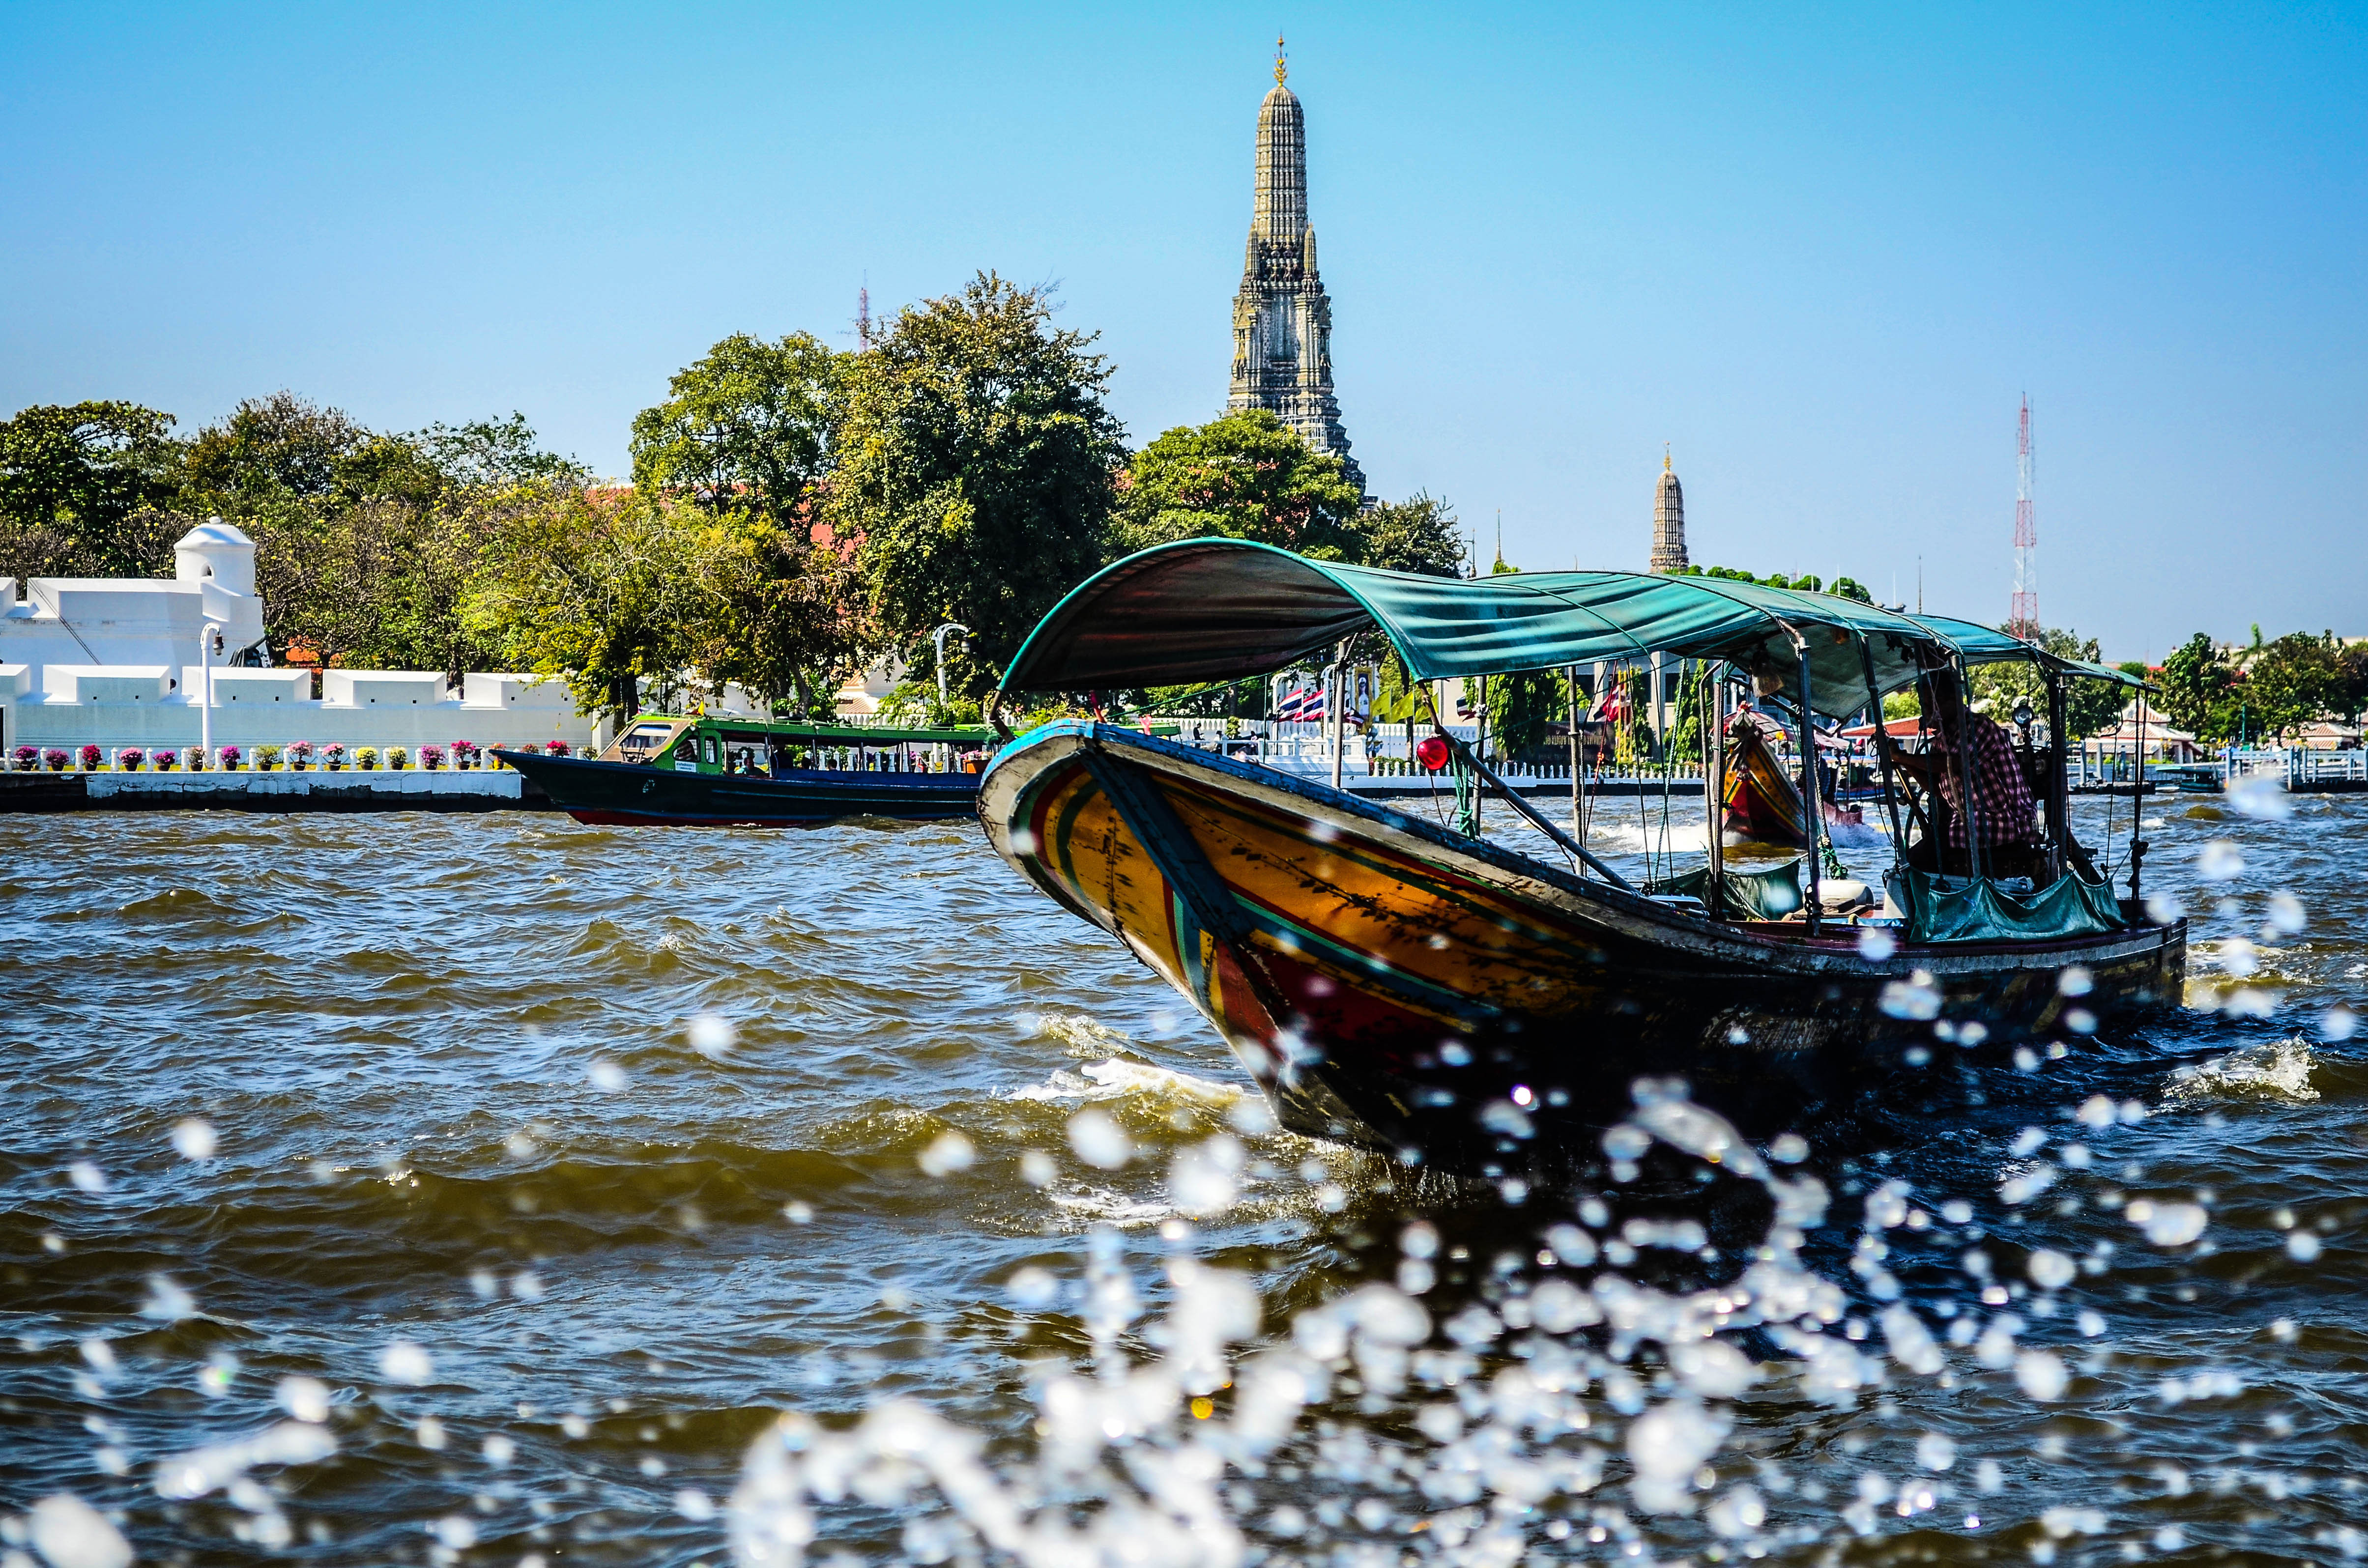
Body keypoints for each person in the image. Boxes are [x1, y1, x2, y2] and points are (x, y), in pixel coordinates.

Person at [1895, 667, 2046, 880]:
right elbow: (1934, 788)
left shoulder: (1978, 726)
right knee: (1910, 864)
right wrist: (1902, 760)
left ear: (1950, 701)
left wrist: (1903, 758)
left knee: (1917, 864)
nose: (1926, 712)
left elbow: (1954, 764)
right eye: (1924, 705)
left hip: (2004, 824)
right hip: (1969, 826)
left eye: (1930, 705)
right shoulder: (1943, 740)